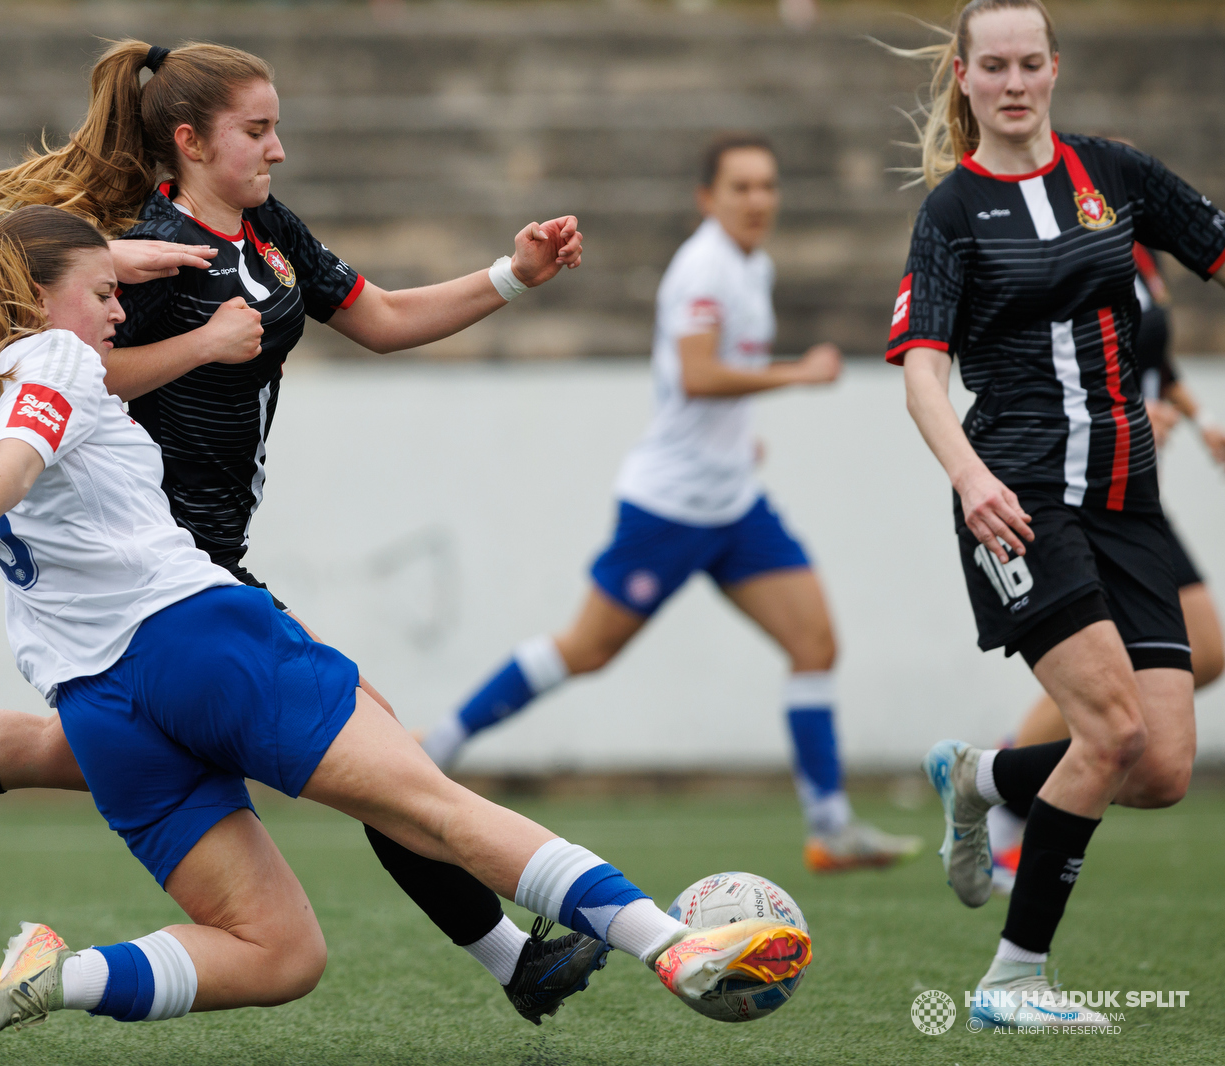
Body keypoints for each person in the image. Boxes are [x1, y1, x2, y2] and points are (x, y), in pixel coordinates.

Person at [0, 38, 606, 1027]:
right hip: (161, 567)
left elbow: (386, 315)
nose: (277, 149)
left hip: (184, 571)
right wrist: (198, 342)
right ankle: (509, 958)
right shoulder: (147, 254)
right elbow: (65, 373)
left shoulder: (267, 234)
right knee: (378, 750)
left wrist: (512, 274)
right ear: (190, 141)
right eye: (257, 130)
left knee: (64, 749)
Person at [0, 204, 812, 1048]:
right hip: (196, 641)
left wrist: (112, 259)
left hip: (98, 702)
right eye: (103, 293)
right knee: (434, 806)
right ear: (40, 295)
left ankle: (61, 976)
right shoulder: (59, 354)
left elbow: (24, 422)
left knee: (278, 954)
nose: (115, 315)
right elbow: (24, 458)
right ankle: (672, 946)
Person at [416, 132, 921, 874]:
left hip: (734, 504)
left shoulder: (755, 264)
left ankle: (830, 827)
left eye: (767, 186)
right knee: (584, 650)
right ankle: (436, 752)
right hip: (671, 508)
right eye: (741, 187)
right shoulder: (705, 269)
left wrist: (738, 443)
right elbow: (697, 376)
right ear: (706, 198)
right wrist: (797, 376)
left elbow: (713, 383)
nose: (757, 200)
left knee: (815, 645)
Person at [885, 0, 1225, 1029]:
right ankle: (1012, 982)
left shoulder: (1111, 173)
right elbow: (922, 377)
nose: (1016, 82)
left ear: (1054, 68)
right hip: (1019, 501)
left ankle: (982, 774)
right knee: (1109, 727)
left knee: (1160, 767)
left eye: (1031, 62)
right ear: (964, 76)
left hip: (1126, 499)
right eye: (995, 66)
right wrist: (968, 477)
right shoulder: (951, 212)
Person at [986, 237, 1225, 896]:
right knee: (1111, 694)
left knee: (1203, 649)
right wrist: (1121, 413)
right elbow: (1052, 365)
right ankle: (1004, 805)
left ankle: (999, 775)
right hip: (1083, 496)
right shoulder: (1063, 256)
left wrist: (1199, 417)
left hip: (1137, 498)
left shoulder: (1141, 257)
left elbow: (1152, 358)